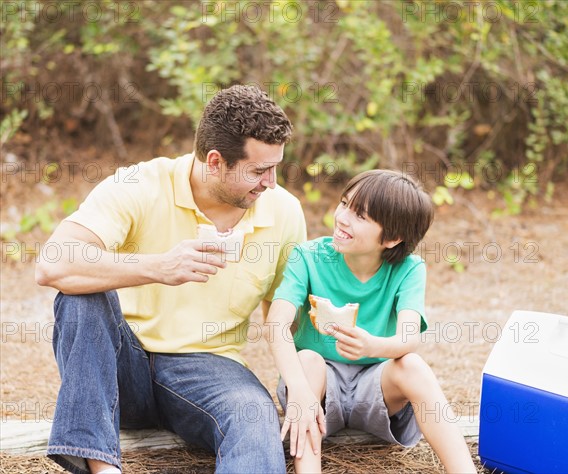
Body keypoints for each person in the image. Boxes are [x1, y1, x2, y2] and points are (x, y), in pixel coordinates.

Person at [35, 85, 306, 474]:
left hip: (209, 370)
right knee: (80, 295)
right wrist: (158, 267)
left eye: (276, 167)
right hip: (120, 363)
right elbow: (52, 264)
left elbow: (287, 317)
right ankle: (102, 468)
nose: (271, 182)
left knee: (253, 416)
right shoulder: (139, 185)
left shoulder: (284, 212)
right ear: (215, 161)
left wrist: (304, 386)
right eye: (259, 171)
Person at [266, 170, 477, 473]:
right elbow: (276, 324)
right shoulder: (308, 256)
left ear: (392, 238)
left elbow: (409, 337)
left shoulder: (409, 269)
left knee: (413, 365)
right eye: (344, 203)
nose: (342, 217)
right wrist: (298, 389)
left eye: (360, 216)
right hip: (316, 392)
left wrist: (371, 345)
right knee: (309, 359)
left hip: (377, 390)